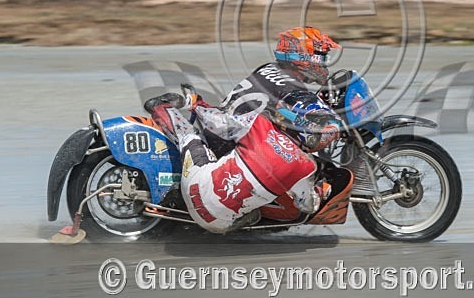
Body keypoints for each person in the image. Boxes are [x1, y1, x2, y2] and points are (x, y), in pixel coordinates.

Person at [143, 88, 342, 234]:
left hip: (195, 186)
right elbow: (307, 206)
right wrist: (319, 191)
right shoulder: (307, 167)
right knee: (262, 207)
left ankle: (160, 108)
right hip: (217, 225)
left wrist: (196, 103)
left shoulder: (260, 125)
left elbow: (215, 121)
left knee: (189, 133)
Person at [219, 26, 341, 119]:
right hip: (240, 137)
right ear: (303, 56)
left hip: (226, 122)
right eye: (321, 56)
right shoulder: (291, 86)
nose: (323, 62)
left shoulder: (268, 67)